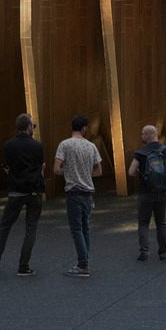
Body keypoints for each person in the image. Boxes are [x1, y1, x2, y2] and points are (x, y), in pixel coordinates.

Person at [0, 112, 48, 277]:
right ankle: (24, 266)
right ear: (28, 127)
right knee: (30, 228)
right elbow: (41, 166)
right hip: (34, 191)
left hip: (15, 191)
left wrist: (14, 176)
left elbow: (5, 166)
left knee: (4, 227)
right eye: (32, 126)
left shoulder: (8, 145)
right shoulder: (37, 146)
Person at [54, 113, 102, 275]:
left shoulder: (64, 145)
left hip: (73, 192)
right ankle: (85, 261)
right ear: (84, 128)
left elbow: (56, 169)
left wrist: (68, 172)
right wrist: (86, 174)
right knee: (85, 228)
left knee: (76, 229)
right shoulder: (91, 146)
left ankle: (82, 264)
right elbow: (99, 171)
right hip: (88, 192)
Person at [129, 123, 166, 262]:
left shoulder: (140, 152)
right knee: (161, 223)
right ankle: (163, 253)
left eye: (143, 133)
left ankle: (144, 252)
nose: (141, 136)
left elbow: (131, 172)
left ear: (149, 135)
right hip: (162, 192)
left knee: (143, 222)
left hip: (145, 192)